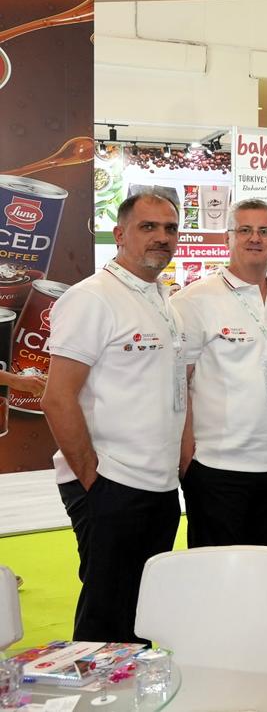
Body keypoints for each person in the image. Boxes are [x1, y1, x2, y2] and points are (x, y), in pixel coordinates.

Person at [41, 192, 184, 642]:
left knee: (143, 611)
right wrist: (94, 481)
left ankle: (136, 683)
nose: (162, 237)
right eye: (148, 227)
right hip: (112, 483)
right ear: (119, 234)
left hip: (158, 484)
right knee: (106, 615)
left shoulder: (162, 298)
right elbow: (57, 398)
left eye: (170, 228)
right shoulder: (92, 298)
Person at [171, 199, 267, 549]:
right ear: (227, 237)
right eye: (244, 230)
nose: (255, 238)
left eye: (264, 231)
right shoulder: (194, 300)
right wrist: (186, 451)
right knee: (215, 570)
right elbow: (178, 381)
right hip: (217, 465)